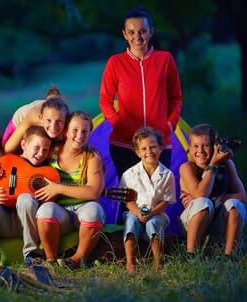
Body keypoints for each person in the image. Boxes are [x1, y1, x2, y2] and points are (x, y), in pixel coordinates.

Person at [99, 7, 182, 177]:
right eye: (131, 32)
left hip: (159, 142)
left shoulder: (165, 59)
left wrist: (170, 124)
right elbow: (105, 100)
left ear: (151, 32)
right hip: (124, 143)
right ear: (124, 34)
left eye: (142, 31)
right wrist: (118, 124)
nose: (137, 37)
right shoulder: (115, 63)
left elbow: (176, 97)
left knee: (157, 196)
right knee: (129, 197)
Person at [35, 112, 106, 269]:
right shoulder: (51, 151)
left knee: (95, 210)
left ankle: (77, 260)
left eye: (85, 132)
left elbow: (93, 192)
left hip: (84, 209)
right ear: (66, 130)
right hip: (61, 213)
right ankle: (51, 260)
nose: (79, 135)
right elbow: (28, 161)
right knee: (45, 210)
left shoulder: (92, 157)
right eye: (75, 130)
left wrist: (58, 188)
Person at [0, 126, 52, 265]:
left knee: (26, 198)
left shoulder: (47, 171)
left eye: (45, 150)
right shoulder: (6, 163)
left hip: (28, 224)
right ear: (24, 144)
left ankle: (32, 255)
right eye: (36, 147)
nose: (40, 153)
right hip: (3, 222)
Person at [179, 124, 245, 256]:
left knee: (235, 204)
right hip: (194, 221)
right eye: (195, 146)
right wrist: (213, 164)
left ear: (215, 147)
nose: (200, 151)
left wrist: (217, 200)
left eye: (206, 145)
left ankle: (229, 255)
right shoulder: (187, 167)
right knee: (203, 202)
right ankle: (191, 255)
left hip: (217, 219)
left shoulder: (227, 164)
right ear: (189, 149)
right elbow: (200, 194)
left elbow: (242, 196)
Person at [120, 128, 176, 273]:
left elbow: (165, 202)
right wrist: (138, 212)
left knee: (153, 223)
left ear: (161, 148)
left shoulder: (167, 175)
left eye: (153, 147)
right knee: (131, 222)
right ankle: (130, 263)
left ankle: (158, 263)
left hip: (157, 213)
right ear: (137, 152)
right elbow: (127, 200)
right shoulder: (129, 174)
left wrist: (151, 213)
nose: (149, 151)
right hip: (135, 211)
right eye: (144, 148)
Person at [3, 86, 69, 153]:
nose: (53, 127)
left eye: (60, 121)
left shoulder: (67, 121)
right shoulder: (33, 117)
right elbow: (7, 150)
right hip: (20, 123)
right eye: (49, 120)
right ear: (41, 118)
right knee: (5, 152)